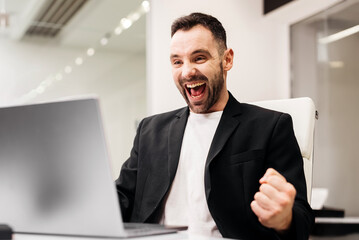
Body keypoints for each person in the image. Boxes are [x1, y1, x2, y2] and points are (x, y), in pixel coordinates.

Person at [115, 12, 314, 239]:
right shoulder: (150, 130)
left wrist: (285, 220)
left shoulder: (271, 126)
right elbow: (122, 196)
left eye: (199, 58)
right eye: (177, 62)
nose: (187, 71)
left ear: (226, 60)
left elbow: (302, 220)